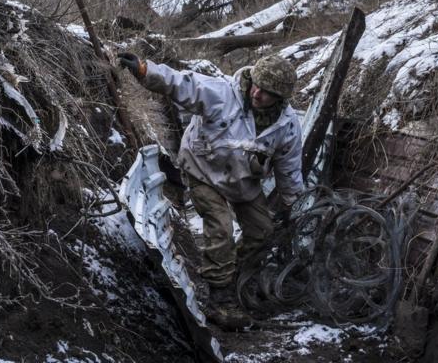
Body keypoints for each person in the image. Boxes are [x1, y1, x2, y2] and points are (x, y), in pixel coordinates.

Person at [117, 52, 304, 316]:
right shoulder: (222, 93)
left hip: (244, 181)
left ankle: (239, 277)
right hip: (202, 170)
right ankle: (220, 298)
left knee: (262, 230)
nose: (257, 93)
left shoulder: (288, 126)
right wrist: (145, 70)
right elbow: (180, 83)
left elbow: (289, 170)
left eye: (267, 92)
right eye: (256, 84)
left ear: (280, 98)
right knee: (221, 228)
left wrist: (296, 206)